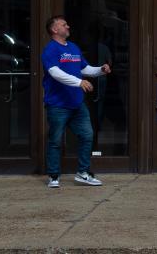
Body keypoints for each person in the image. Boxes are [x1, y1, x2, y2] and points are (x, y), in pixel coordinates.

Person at [42, 16, 111, 188]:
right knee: (56, 140)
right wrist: (78, 82)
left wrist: (100, 70)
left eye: (67, 23)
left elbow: (84, 69)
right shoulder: (50, 49)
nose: (68, 26)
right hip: (58, 104)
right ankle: (53, 176)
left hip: (77, 104)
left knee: (87, 135)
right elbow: (55, 73)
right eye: (64, 24)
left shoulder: (73, 47)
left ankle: (83, 173)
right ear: (54, 30)